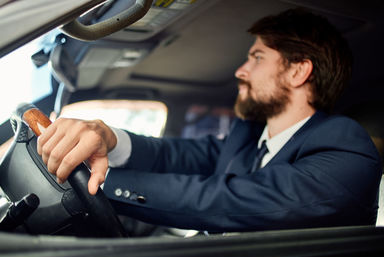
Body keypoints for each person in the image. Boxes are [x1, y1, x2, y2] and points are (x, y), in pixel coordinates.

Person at [37, 9, 382, 232]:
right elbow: (172, 156)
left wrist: (101, 182)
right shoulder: (247, 137)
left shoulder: (345, 144)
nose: (240, 70)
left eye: (257, 57)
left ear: (298, 71)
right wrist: (109, 138)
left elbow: (229, 198)